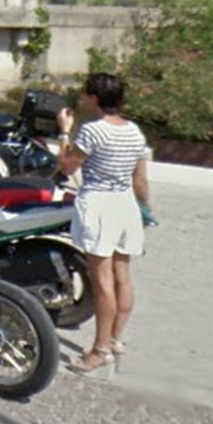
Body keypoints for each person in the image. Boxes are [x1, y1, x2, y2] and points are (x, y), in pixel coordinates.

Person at [57, 72, 150, 374]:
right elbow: (140, 180)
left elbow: (67, 165)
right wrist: (145, 210)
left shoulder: (92, 131)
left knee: (102, 283)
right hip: (126, 204)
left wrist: (64, 132)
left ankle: (99, 350)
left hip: (99, 205)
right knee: (123, 276)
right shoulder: (134, 132)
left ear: (94, 98)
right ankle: (115, 339)